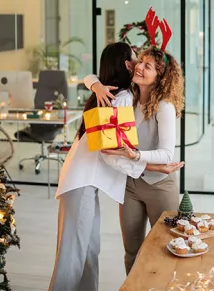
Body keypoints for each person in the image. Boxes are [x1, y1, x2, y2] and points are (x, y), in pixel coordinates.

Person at [50, 43, 182, 291]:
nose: (137, 65)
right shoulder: (122, 98)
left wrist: (95, 84)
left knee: (89, 252)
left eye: (144, 63)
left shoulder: (119, 94)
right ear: (125, 65)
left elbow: (121, 151)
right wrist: (149, 168)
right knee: (73, 256)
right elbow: (111, 152)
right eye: (136, 60)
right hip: (84, 180)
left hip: (85, 181)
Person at [89, 47, 186, 273]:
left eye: (148, 66)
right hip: (130, 184)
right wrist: (96, 85)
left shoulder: (164, 106)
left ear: (160, 77)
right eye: (140, 61)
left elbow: (167, 154)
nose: (139, 67)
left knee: (167, 248)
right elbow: (91, 77)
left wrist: (135, 155)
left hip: (160, 185)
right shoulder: (128, 98)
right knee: (132, 251)